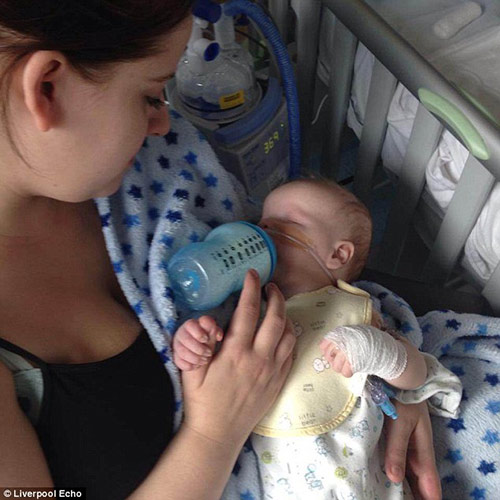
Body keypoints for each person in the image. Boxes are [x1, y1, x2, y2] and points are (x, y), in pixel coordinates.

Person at [0, 2, 442, 499]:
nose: (164, 122)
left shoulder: (159, 162)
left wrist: (393, 374)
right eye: (150, 95)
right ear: (47, 88)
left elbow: (301, 277)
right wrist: (214, 433)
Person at [174, 179, 461, 498]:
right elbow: (220, 370)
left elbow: (416, 376)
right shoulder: (248, 309)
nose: (263, 227)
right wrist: (195, 344)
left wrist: (377, 351)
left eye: (288, 222)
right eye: (262, 221)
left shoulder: (353, 310)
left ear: (338, 254)